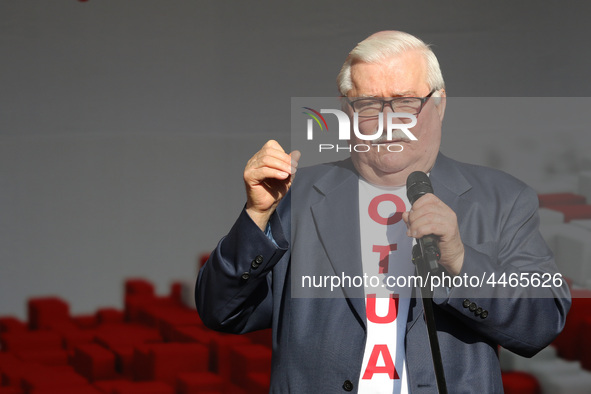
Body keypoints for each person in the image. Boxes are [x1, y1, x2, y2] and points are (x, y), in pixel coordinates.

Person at [196, 31, 571, 393]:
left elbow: (542, 323)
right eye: (370, 104)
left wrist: (460, 261)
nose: (389, 120)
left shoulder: (501, 199)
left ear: (439, 104)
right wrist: (256, 216)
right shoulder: (296, 197)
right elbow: (221, 312)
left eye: (406, 101)